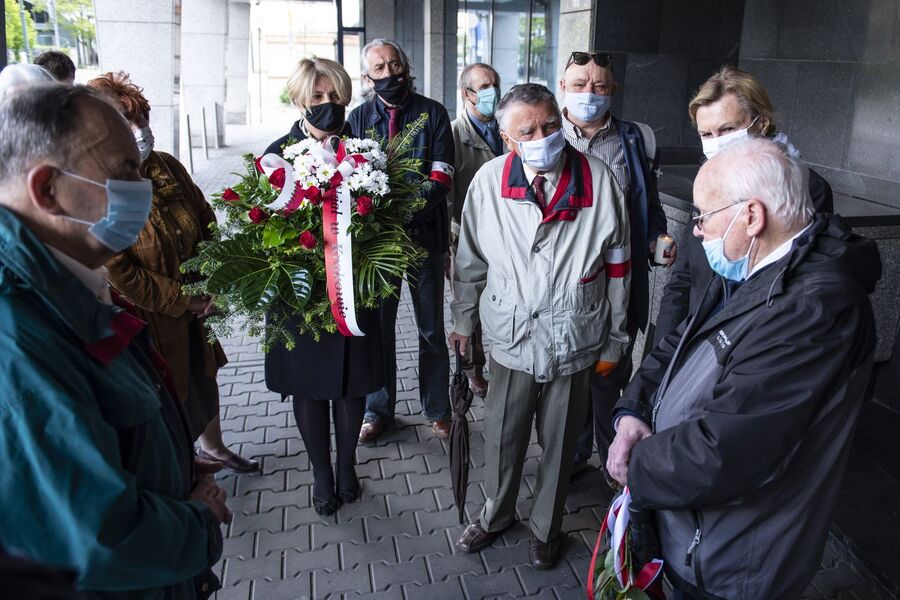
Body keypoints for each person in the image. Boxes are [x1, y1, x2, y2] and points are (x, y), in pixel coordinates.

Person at [607, 138, 879, 600]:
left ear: (751, 216)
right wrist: (633, 411)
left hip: (733, 558)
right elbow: (681, 343)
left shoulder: (812, 308)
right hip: (702, 534)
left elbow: (725, 451)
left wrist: (636, 464)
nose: (695, 231)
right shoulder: (757, 267)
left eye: (702, 216)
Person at [0, 83, 230, 598]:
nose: (140, 188)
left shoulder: (67, 281)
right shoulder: (16, 342)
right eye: (123, 171)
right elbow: (98, 539)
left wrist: (166, 460)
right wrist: (199, 518)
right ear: (47, 189)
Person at [450, 83, 630, 569]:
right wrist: (463, 321)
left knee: (560, 444)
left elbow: (619, 267)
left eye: (550, 125)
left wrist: (616, 339)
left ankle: (547, 527)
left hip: (575, 337)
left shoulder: (597, 179)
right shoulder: (488, 182)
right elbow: (468, 263)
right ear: (508, 138)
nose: (542, 136)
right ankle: (495, 515)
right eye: (527, 130)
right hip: (511, 337)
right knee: (502, 435)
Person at [87, 72, 258, 474]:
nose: (139, 131)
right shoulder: (98, 186)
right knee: (167, 393)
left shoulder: (167, 166)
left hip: (196, 306)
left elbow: (205, 217)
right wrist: (183, 299)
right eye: (124, 124)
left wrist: (216, 275)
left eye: (141, 119)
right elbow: (117, 267)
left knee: (203, 377)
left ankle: (214, 449)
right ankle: (181, 468)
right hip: (150, 317)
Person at [263, 57, 380, 515]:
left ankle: (347, 464)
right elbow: (263, 233)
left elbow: (384, 224)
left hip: (354, 293)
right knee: (310, 387)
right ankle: (320, 471)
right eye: (317, 97)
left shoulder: (366, 154)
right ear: (299, 99)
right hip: (302, 298)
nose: (328, 105)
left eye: (336, 96)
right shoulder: (277, 156)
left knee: (353, 386)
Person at [653, 65, 834, 347]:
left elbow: (794, 289)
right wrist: (659, 356)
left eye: (727, 129)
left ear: (761, 123)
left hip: (750, 345)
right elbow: (683, 279)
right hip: (695, 335)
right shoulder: (710, 183)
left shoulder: (807, 189)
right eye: (707, 135)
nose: (717, 143)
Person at [558, 50, 673, 476]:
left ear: (613, 90)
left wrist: (655, 238)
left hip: (619, 279)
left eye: (600, 86)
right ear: (563, 86)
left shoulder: (634, 139)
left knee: (611, 369)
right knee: (570, 376)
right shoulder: (547, 137)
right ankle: (572, 454)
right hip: (565, 282)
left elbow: (651, 204)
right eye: (580, 84)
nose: (590, 93)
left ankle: (613, 462)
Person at [348, 39, 454, 444]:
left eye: (395, 64)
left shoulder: (433, 114)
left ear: (406, 66)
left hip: (425, 238)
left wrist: (402, 214)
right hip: (377, 247)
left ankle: (438, 410)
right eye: (380, 68)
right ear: (367, 77)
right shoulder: (357, 119)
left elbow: (442, 175)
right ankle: (378, 410)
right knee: (380, 331)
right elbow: (347, 175)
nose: (390, 73)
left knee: (430, 329)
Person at [448, 62, 503, 397]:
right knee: (468, 304)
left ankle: (501, 364)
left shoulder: (506, 127)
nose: (491, 92)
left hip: (506, 233)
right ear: (466, 94)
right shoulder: (454, 135)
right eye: (483, 87)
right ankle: (472, 370)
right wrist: (448, 244)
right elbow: (448, 194)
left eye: (494, 84)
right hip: (466, 235)